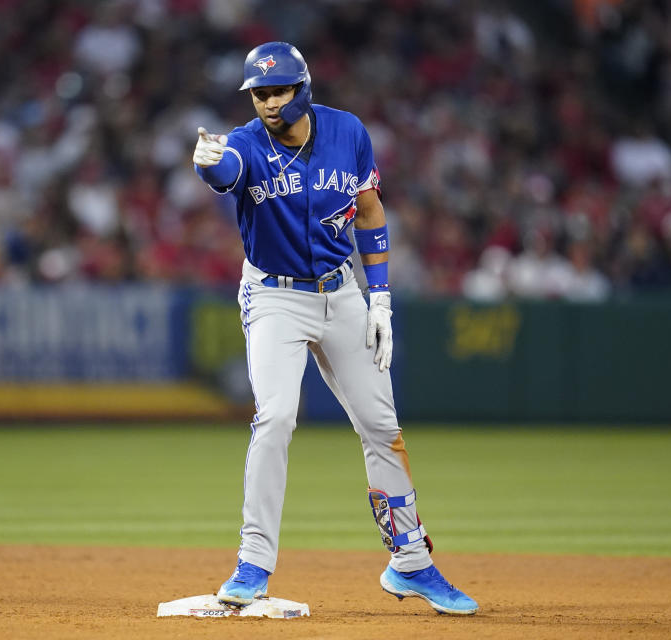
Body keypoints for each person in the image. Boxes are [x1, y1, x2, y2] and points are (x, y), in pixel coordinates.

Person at [192, 42, 478, 615]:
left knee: (382, 425)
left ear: (304, 89)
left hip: (341, 290)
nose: (268, 102)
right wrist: (208, 162)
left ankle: (411, 563)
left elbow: (369, 211)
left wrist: (381, 302)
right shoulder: (247, 143)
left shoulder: (348, 133)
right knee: (274, 415)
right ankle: (253, 564)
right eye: (258, 93)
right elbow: (226, 170)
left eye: (278, 91)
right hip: (274, 295)